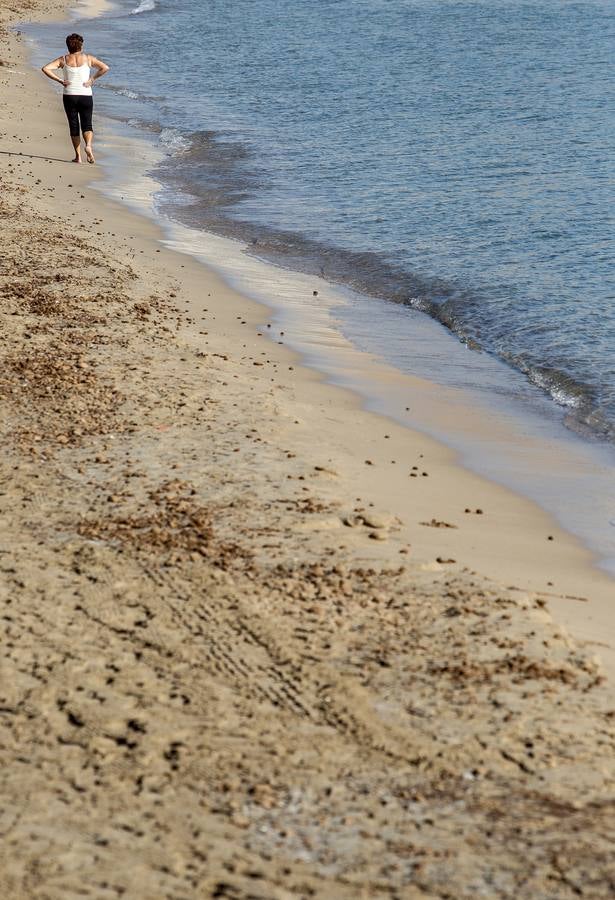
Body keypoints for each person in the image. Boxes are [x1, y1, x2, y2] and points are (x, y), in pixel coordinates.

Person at [42, 33, 109, 164]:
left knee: (74, 125)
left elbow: (45, 68)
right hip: (86, 95)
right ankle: (88, 146)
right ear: (81, 45)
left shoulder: (63, 59)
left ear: (68, 46)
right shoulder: (88, 58)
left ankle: (78, 157)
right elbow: (105, 67)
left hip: (69, 95)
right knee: (87, 124)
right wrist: (92, 79)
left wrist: (60, 80)